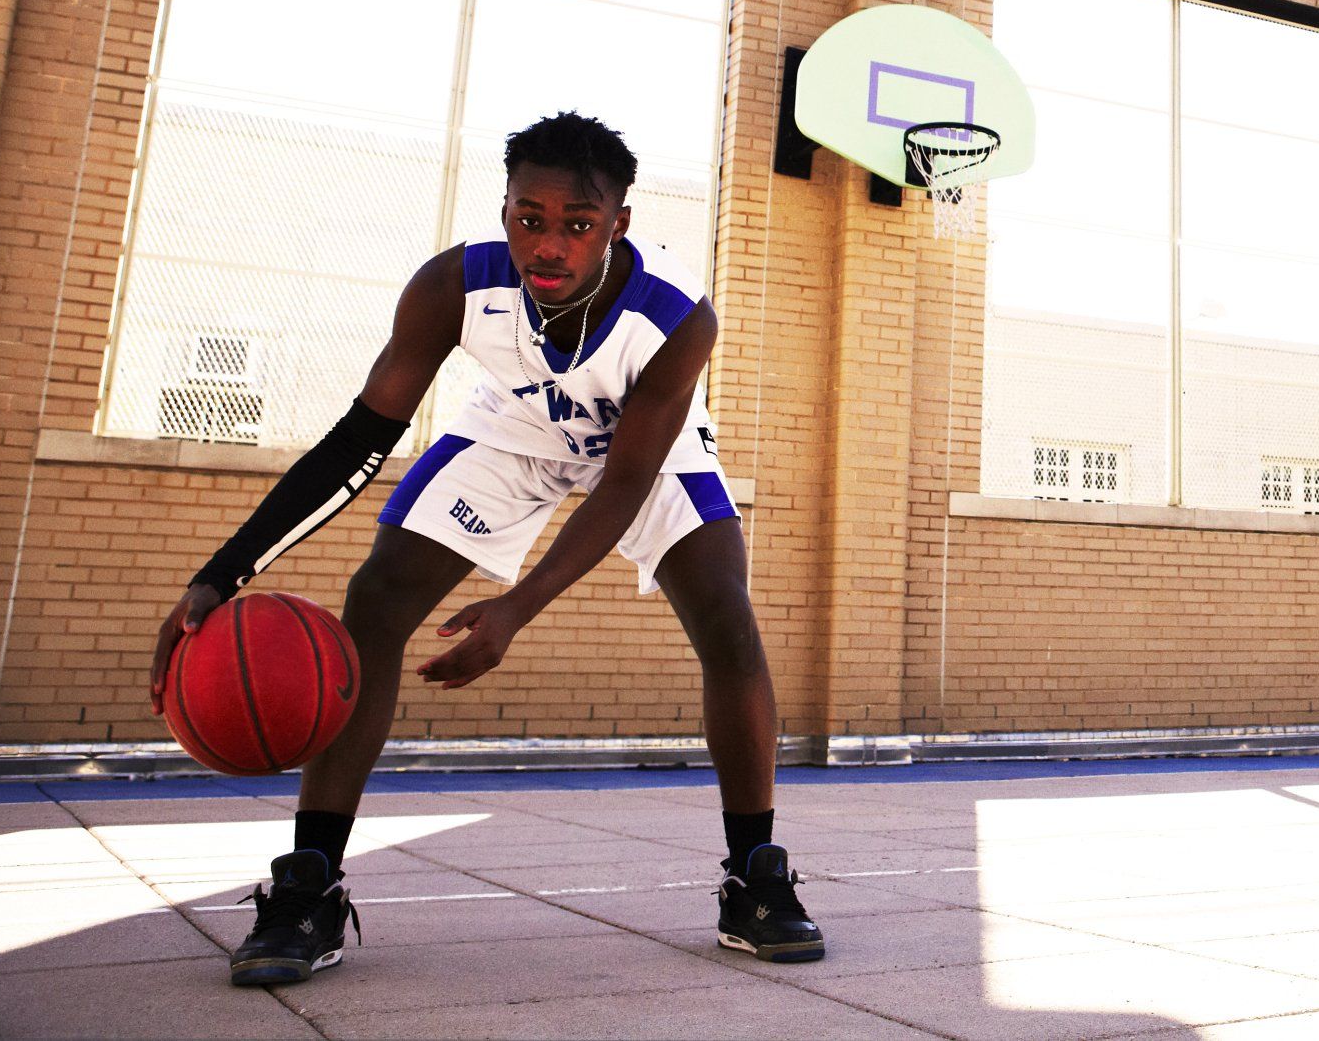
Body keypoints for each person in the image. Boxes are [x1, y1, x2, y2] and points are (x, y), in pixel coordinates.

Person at [151, 112, 823, 985]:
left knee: (730, 623)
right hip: (516, 428)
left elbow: (621, 486)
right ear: (503, 208)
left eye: (576, 225)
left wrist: (518, 605)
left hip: (644, 450)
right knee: (379, 599)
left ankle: (755, 877)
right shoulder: (452, 287)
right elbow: (358, 440)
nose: (547, 244)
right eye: (527, 217)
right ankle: (310, 881)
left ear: (618, 221)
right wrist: (221, 573)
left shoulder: (677, 316)